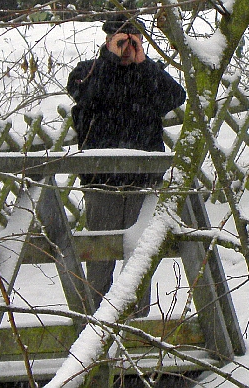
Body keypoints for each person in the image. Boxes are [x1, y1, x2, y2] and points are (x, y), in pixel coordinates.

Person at [67, 14, 186, 316]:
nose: (127, 48)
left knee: (139, 259)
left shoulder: (148, 74)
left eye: (133, 42)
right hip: (101, 181)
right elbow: (86, 95)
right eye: (121, 42)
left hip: (142, 181)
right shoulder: (89, 70)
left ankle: (136, 323)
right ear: (106, 42)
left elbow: (176, 96)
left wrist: (144, 62)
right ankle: (91, 321)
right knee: (100, 259)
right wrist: (109, 59)